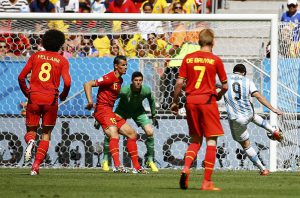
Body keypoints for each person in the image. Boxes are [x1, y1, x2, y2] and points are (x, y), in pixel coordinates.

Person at [170, 29, 228, 191]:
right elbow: (225, 86)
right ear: (213, 42)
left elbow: (179, 83)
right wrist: (218, 95)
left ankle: (186, 168)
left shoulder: (188, 58)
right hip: (207, 101)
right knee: (211, 140)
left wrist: (175, 102)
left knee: (195, 140)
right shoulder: (215, 60)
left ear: (198, 41)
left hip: (190, 101)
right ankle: (206, 182)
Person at [18, 29, 71, 175]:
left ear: (44, 42)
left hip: (34, 97)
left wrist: (27, 93)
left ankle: (30, 142)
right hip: (51, 99)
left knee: (31, 131)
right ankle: (35, 167)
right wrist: (64, 96)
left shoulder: (35, 56)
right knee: (46, 133)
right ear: (60, 44)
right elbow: (67, 82)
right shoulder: (62, 60)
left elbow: (21, 77)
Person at [84, 55, 147, 174]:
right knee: (114, 135)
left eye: (126, 65)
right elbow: (87, 84)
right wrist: (90, 102)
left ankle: (137, 167)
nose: (125, 67)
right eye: (123, 65)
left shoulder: (120, 80)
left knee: (132, 134)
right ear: (116, 66)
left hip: (110, 112)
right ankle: (117, 166)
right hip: (102, 110)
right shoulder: (109, 77)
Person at [223, 64, 284, 175]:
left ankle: (263, 169)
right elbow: (258, 96)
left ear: (233, 72)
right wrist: (273, 109)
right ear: (244, 73)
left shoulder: (226, 79)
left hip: (237, 119)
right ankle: (273, 130)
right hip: (249, 113)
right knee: (254, 116)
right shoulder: (248, 81)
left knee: (246, 145)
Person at [99, 71, 159, 172]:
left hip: (138, 111)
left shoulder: (146, 90)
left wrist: (154, 115)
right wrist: (103, 115)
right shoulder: (124, 90)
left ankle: (150, 160)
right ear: (132, 81)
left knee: (150, 132)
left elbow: (152, 100)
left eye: (140, 80)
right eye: (136, 80)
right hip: (122, 111)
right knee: (111, 131)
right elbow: (110, 100)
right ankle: (105, 159)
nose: (138, 82)